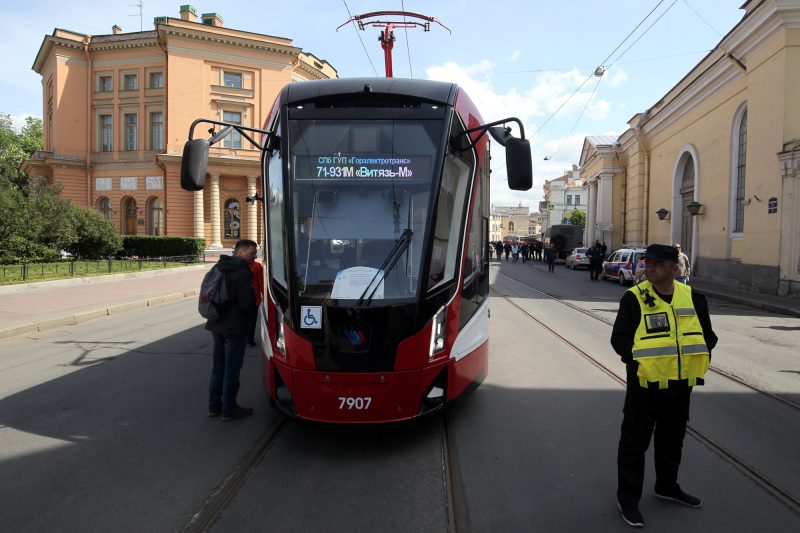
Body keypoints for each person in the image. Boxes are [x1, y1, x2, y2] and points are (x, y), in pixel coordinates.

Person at [611, 244, 718, 528]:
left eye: (659, 264)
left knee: (672, 440)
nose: (652, 267)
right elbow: (620, 340)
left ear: (675, 268)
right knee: (634, 444)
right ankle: (628, 498)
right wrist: (640, 366)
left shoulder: (694, 298)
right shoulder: (634, 298)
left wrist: (693, 362)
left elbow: (708, 337)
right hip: (645, 387)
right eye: (649, 263)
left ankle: (667, 486)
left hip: (681, 386)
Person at [206, 239, 258, 421]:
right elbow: (246, 303)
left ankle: (213, 406)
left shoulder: (220, 267)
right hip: (235, 328)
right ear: (241, 252)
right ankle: (229, 410)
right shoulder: (243, 272)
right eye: (252, 253)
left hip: (216, 324)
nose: (255, 257)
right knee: (232, 370)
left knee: (218, 367)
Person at [248, 256, 264, 345]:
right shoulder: (257, 266)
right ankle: (250, 338)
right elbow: (261, 282)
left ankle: (244, 337)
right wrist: (264, 296)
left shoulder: (239, 266)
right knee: (252, 319)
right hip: (254, 297)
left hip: (240, 298)